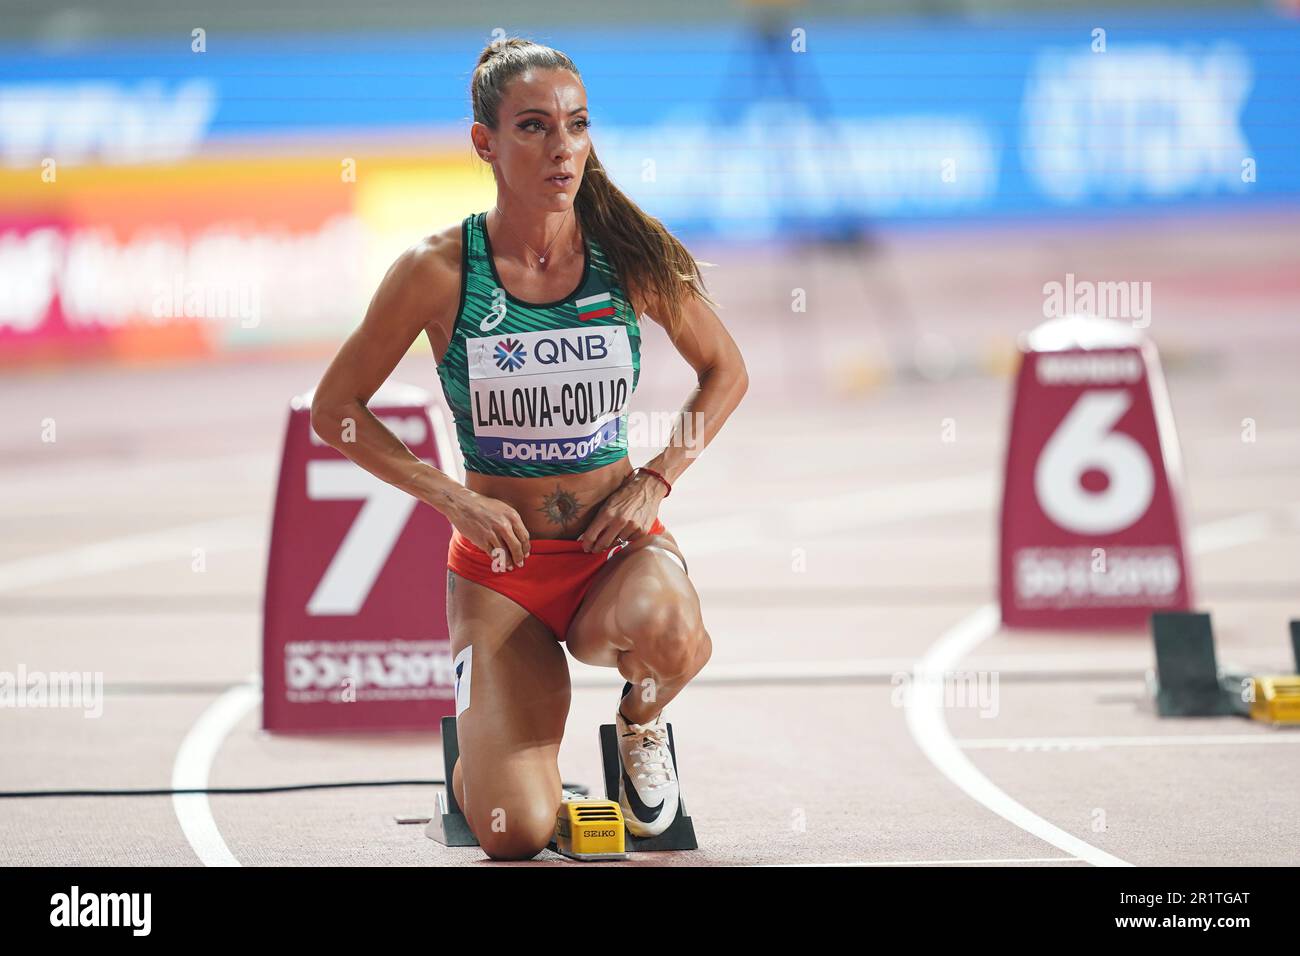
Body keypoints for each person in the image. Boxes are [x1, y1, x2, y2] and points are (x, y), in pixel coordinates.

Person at [310, 36, 748, 860]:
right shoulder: (439, 270)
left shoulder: (627, 254)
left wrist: (657, 476)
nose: (562, 148)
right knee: (518, 835)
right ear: (485, 142)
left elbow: (725, 370)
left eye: (577, 126)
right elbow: (335, 410)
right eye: (535, 127)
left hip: (612, 556)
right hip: (500, 577)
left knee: (674, 630)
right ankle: (477, 760)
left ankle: (639, 729)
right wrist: (452, 496)